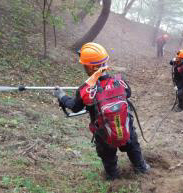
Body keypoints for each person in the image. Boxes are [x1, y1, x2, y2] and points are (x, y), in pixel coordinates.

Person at [53, 42, 150, 180]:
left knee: (108, 157)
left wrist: (61, 96)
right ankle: (142, 168)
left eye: (85, 65)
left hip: (104, 135)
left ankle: (113, 178)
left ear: (91, 67)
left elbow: (75, 107)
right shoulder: (120, 81)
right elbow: (128, 93)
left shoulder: (85, 90)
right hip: (126, 128)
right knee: (133, 147)